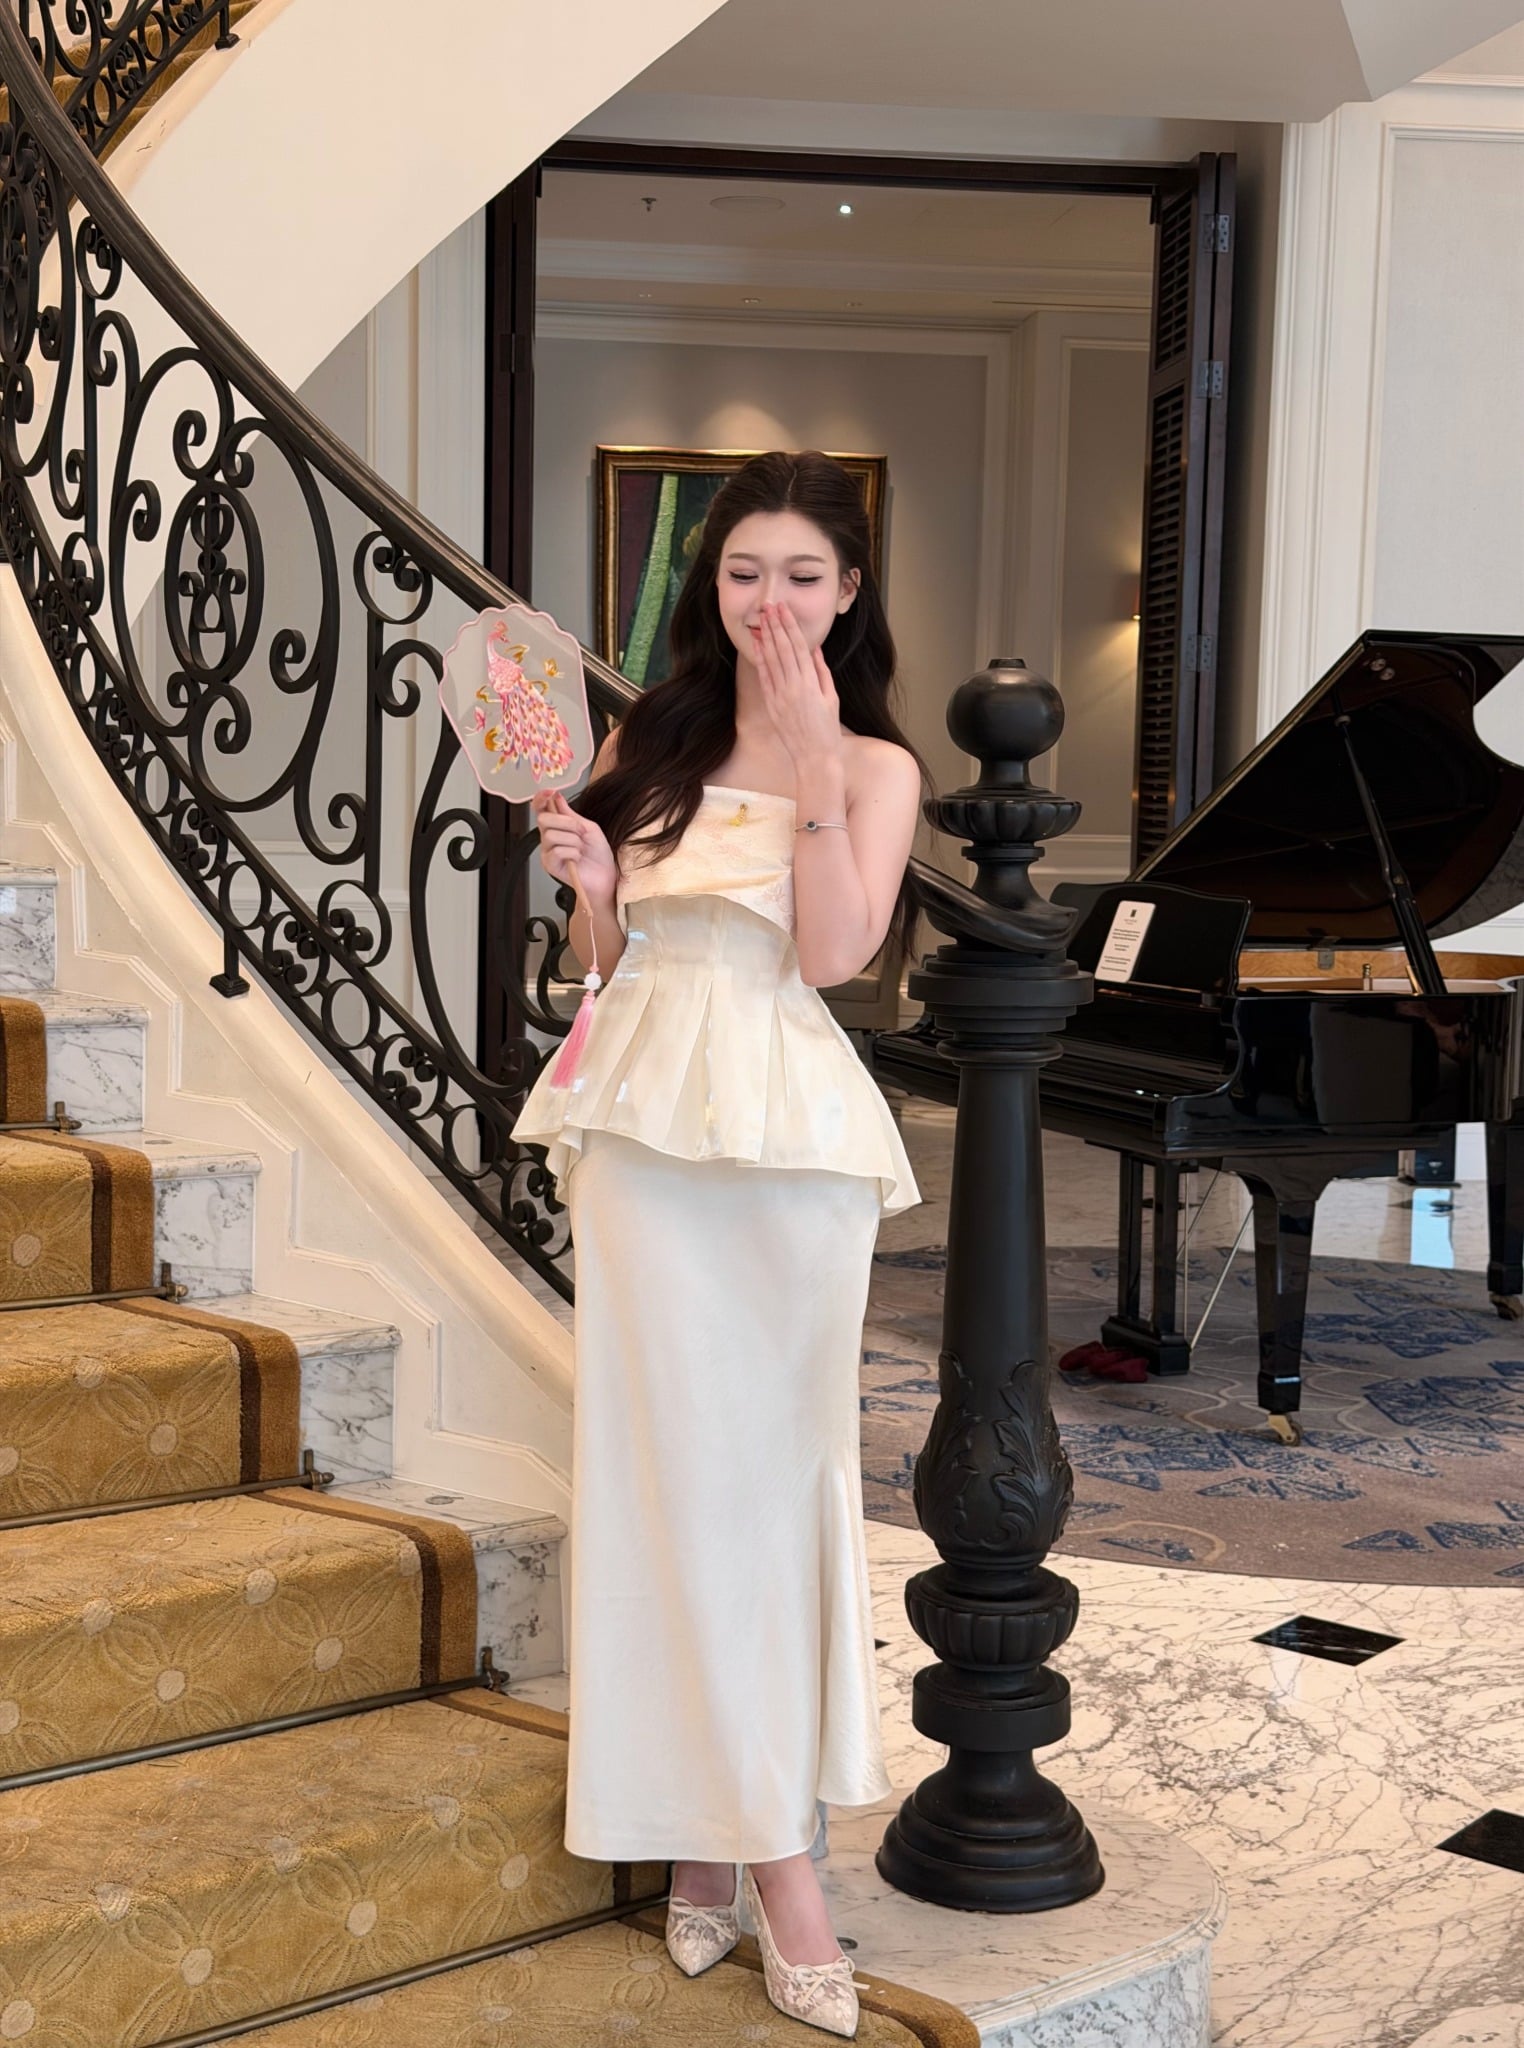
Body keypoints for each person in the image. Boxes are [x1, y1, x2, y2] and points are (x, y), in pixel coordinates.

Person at [511, 450, 925, 2038]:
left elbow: (831, 954)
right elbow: (607, 964)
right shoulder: (651, 738)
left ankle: (748, 1853)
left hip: (787, 1147)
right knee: (660, 1487)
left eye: (802, 574)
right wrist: (594, 887)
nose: (770, 600)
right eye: (745, 570)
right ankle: (736, 1849)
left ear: (848, 592)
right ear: (713, 585)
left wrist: (814, 762)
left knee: (764, 1497)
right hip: (638, 1133)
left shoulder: (875, 766)